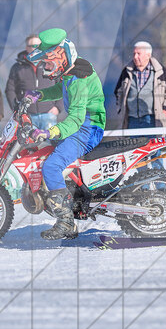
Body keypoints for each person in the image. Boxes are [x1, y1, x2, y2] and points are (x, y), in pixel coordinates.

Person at [25, 28, 107, 240]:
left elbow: (77, 120)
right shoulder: (71, 71)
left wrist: (51, 130)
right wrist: (39, 94)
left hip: (88, 128)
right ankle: (68, 193)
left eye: (48, 62)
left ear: (61, 55)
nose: (46, 67)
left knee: (52, 165)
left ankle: (66, 222)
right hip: (81, 125)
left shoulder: (79, 78)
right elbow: (60, 90)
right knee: (44, 151)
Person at [114, 40, 166, 130]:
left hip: (153, 119)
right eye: (134, 54)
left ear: (148, 55)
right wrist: (120, 109)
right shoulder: (126, 72)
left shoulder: (161, 72)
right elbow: (118, 92)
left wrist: (165, 111)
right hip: (131, 120)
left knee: (153, 144)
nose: (135, 57)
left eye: (138, 54)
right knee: (132, 144)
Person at [5, 34, 62, 129]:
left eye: (39, 45)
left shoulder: (52, 64)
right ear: (27, 48)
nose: (37, 48)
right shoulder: (17, 67)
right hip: (27, 117)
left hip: (49, 114)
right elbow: (10, 90)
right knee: (29, 143)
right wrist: (17, 109)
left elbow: (62, 86)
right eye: (34, 46)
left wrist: (58, 107)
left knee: (50, 143)